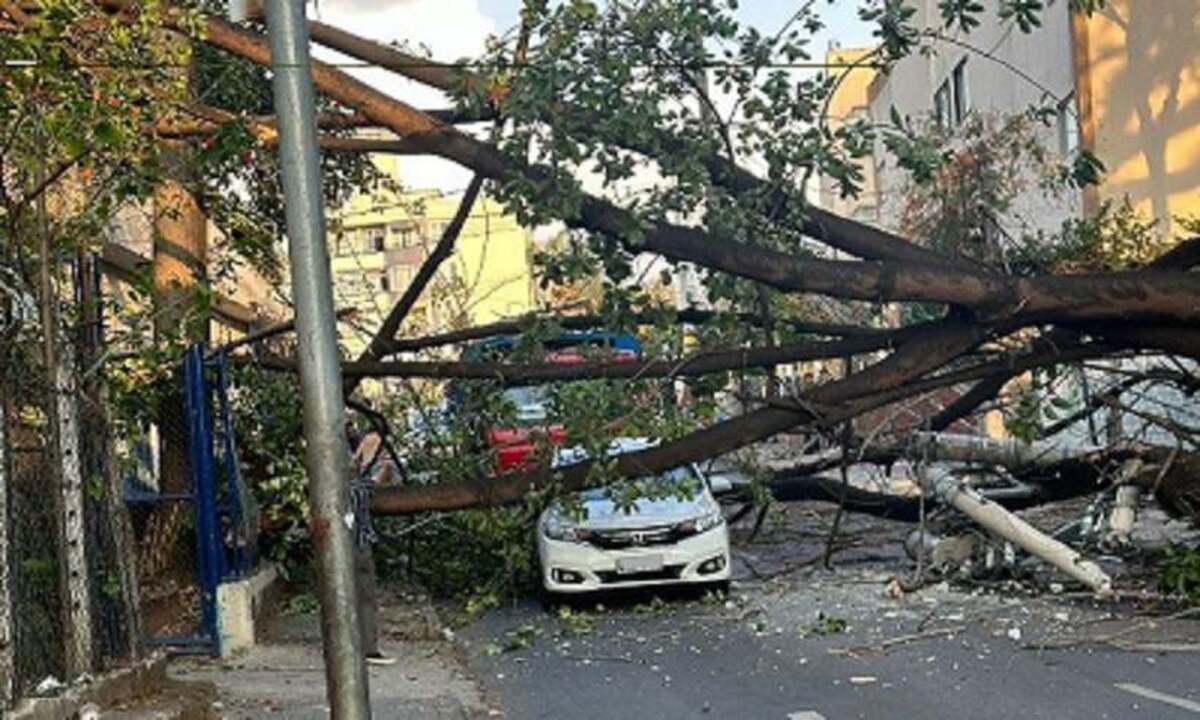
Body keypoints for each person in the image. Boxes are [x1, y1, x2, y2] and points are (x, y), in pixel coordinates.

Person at [347, 420, 396, 666]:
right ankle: (368, 649)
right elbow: (372, 483)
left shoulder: (341, 480)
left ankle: (353, 646)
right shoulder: (354, 485)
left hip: (349, 543)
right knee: (364, 596)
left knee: (351, 595)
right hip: (357, 543)